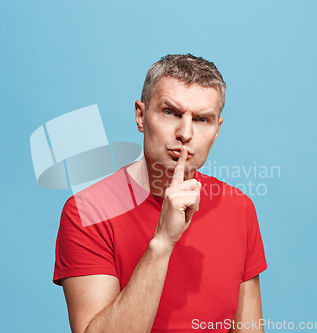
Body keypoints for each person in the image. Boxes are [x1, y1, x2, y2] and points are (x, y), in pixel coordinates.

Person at [53, 54, 267, 332]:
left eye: (202, 119)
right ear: (141, 116)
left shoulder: (238, 208)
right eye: (171, 112)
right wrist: (163, 242)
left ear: (217, 131)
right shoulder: (87, 212)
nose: (185, 133)